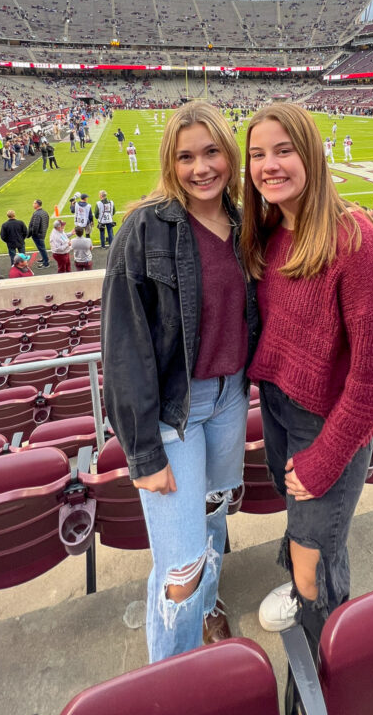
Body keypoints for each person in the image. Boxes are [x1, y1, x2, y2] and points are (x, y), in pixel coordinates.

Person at [240, 103, 373, 712]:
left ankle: (320, 687)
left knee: (311, 569)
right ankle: (325, 633)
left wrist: (326, 456)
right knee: (314, 540)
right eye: (257, 153)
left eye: (283, 150)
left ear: (311, 154)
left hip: (327, 427)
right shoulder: (268, 231)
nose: (269, 164)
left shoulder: (353, 236)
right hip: (280, 410)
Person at [101, 100, 257, 663]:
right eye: (187, 156)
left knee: (214, 517)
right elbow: (123, 347)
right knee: (181, 566)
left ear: (229, 154)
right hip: (175, 413)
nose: (201, 167)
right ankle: (172, 681)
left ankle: (209, 611)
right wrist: (142, 454)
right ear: (171, 161)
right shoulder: (145, 227)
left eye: (212, 152)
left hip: (230, 397)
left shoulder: (243, 222)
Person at [28, 200, 51, 269]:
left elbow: (35, 226)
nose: (33, 204)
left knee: (41, 248)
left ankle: (46, 263)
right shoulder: (44, 212)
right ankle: (45, 259)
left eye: (34, 203)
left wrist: (32, 234)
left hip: (38, 234)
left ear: (37, 204)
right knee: (42, 248)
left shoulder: (37, 214)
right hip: (43, 232)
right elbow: (47, 223)